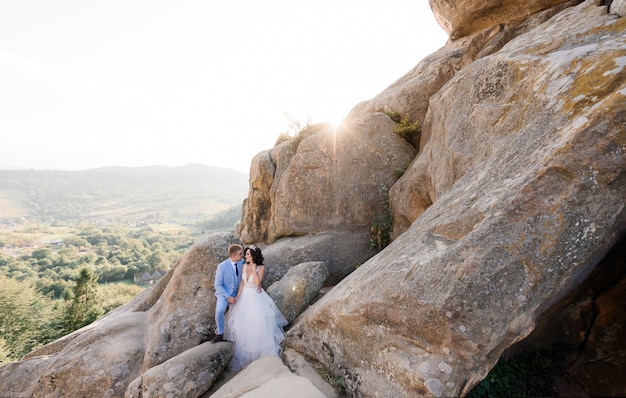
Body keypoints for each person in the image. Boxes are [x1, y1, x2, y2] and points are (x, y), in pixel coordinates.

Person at [224, 246, 288, 370]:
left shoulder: (261, 267)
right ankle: (246, 356)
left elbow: (258, 283)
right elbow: (242, 283)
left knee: (258, 324)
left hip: (256, 297)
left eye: (248, 254)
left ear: (253, 256)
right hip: (244, 297)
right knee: (243, 324)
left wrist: (254, 270)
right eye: (245, 254)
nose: (245, 256)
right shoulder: (243, 266)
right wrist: (237, 296)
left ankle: (260, 355)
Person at [212, 244, 244, 343]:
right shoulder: (222, 266)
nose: (242, 255)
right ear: (233, 255)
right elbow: (217, 285)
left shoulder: (242, 262)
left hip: (239, 292)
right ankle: (220, 333)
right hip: (224, 293)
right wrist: (227, 296)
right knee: (220, 311)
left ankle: (238, 335)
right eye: (240, 254)